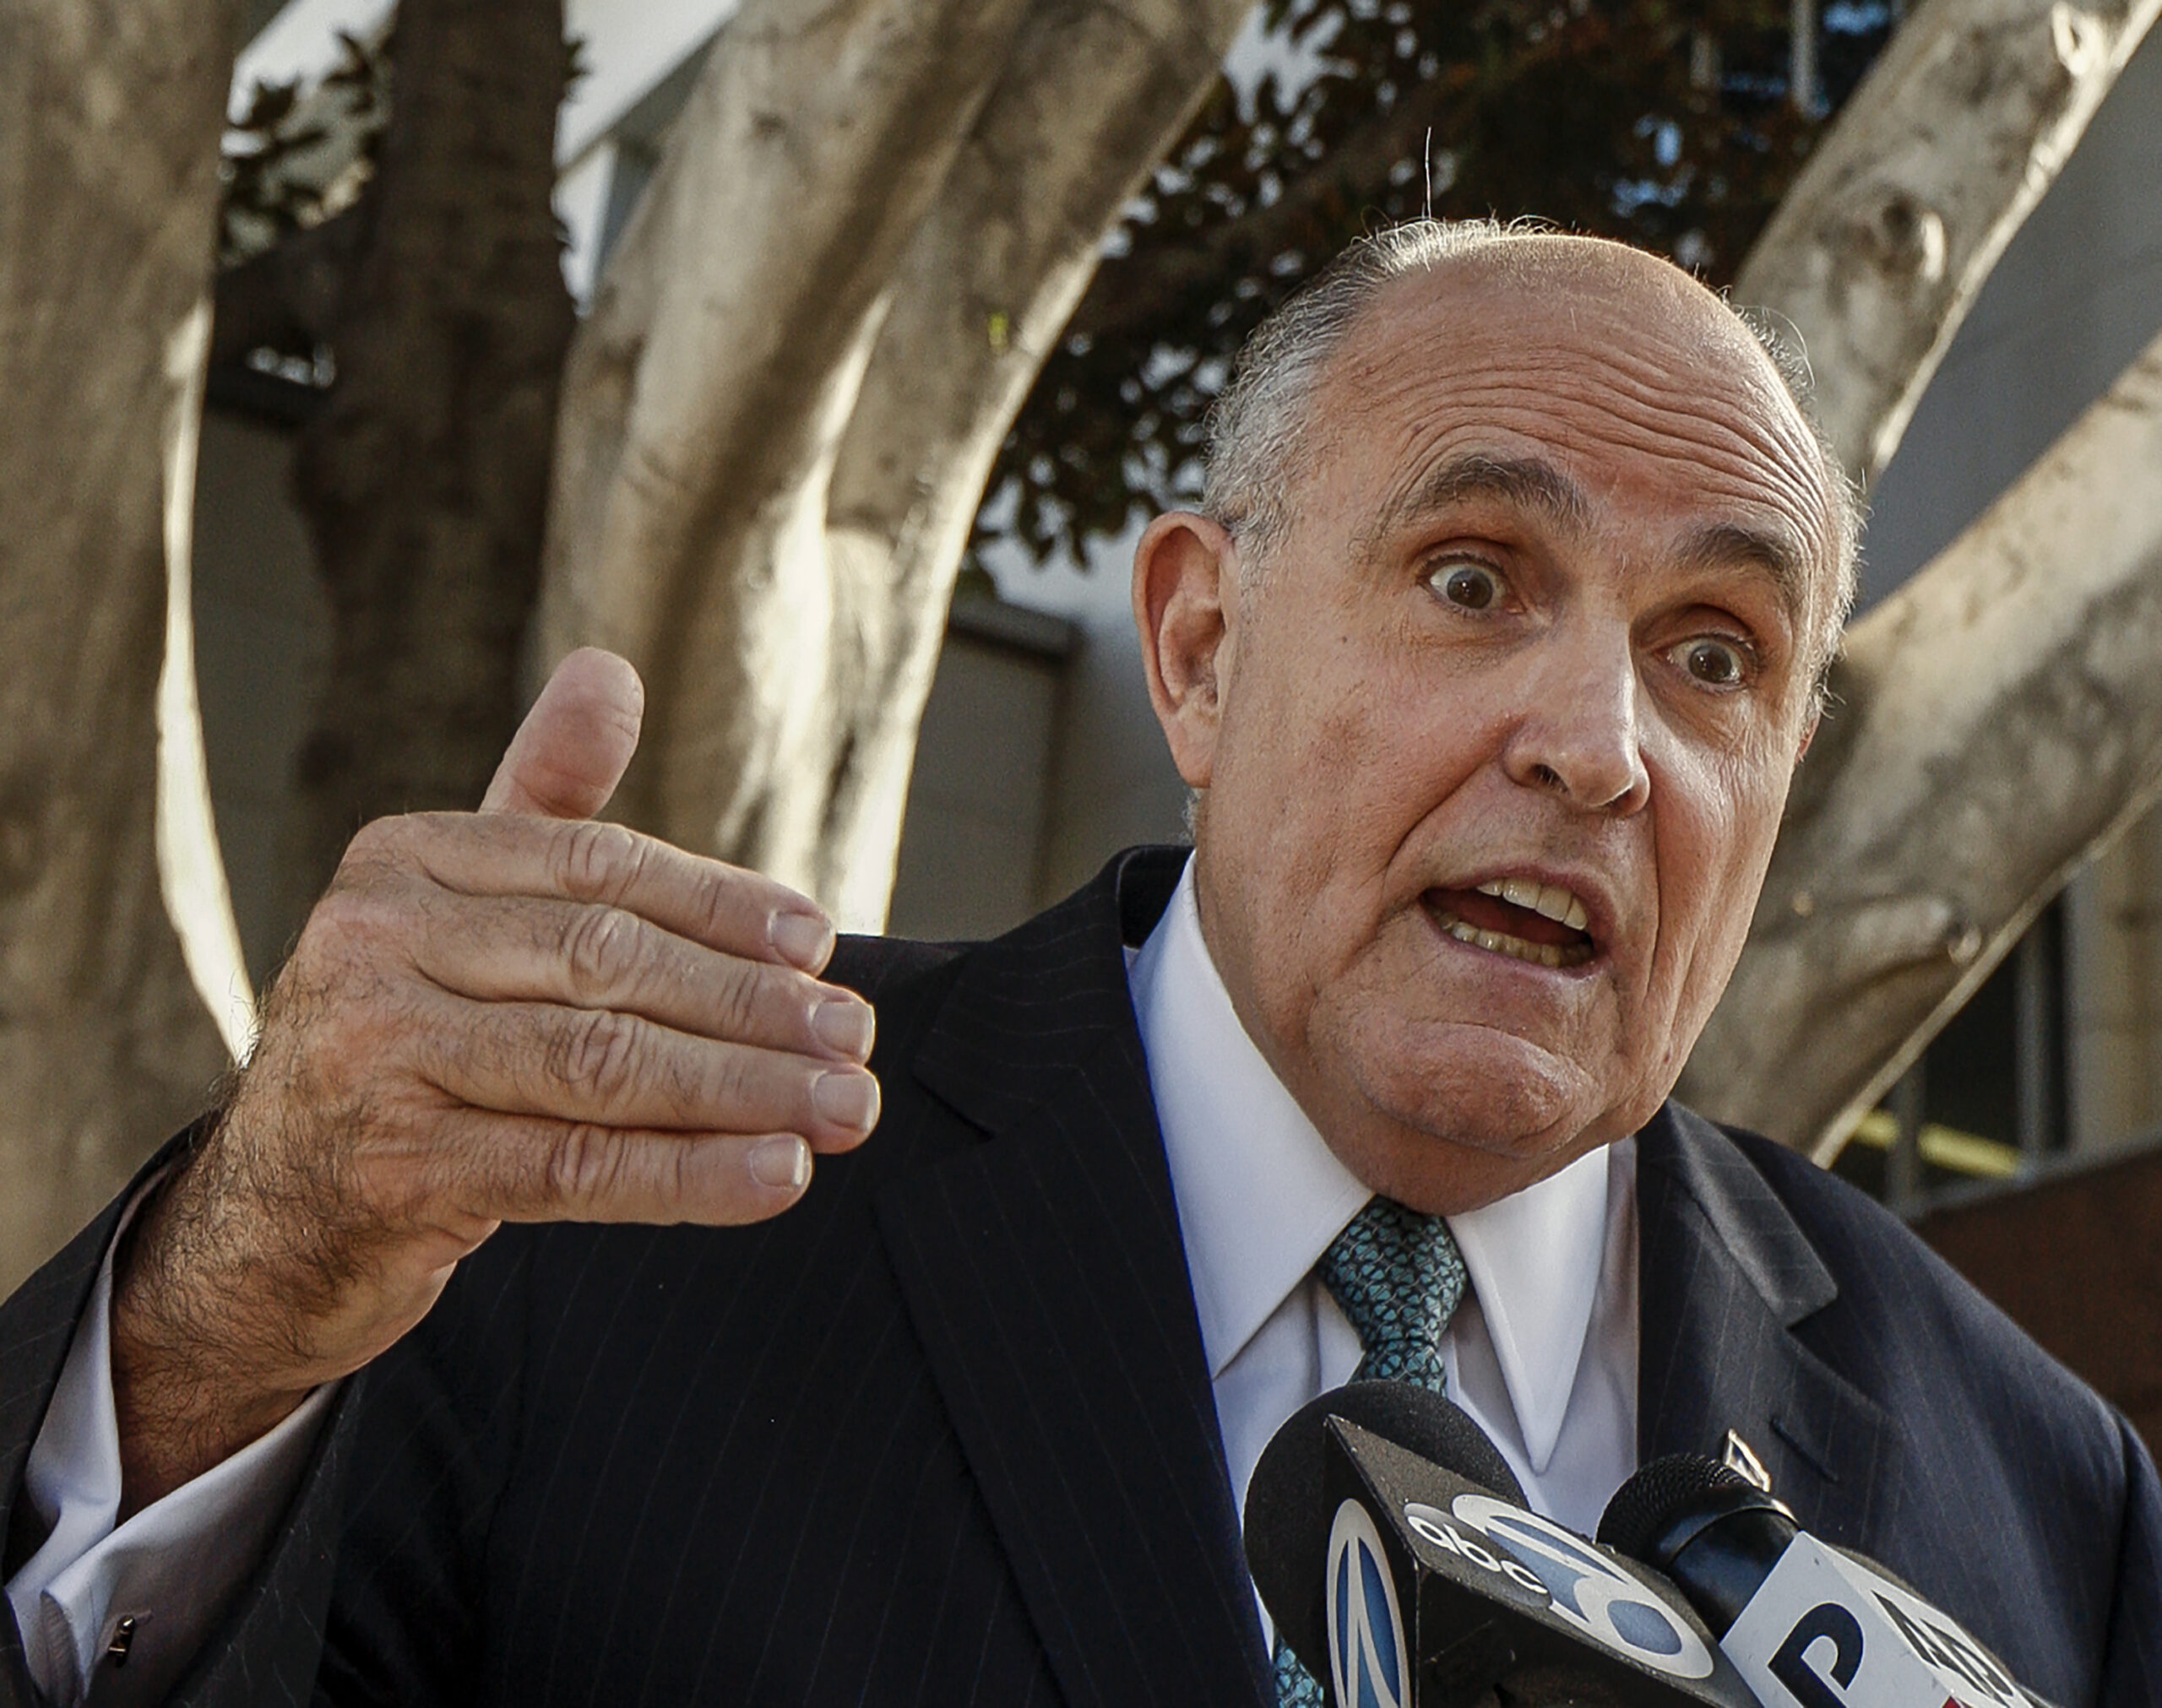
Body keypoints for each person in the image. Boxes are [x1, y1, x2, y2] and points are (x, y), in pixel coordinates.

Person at [2, 221, 2154, 1708]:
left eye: (1712, 653)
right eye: (1472, 576)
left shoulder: (2038, 1501)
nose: (1597, 746)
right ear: (1199, 649)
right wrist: (228, 1312)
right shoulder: (592, 1215)